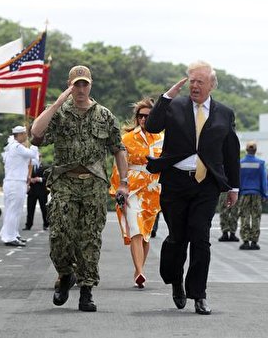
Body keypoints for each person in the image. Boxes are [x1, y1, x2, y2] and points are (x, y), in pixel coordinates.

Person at [145, 60, 240, 315]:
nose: (195, 86)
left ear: (212, 85)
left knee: (200, 237)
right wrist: (165, 98)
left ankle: (199, 294)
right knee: (178, 238)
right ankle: (176, 280)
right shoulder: (174, 105)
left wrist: (234, 187)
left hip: (206, 184)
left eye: (200, 81)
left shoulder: (224, 113)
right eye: (192, 81)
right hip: (176, 182)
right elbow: (152, 127)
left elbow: (231, 152)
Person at [31, 65, 128, 312]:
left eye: (85, 84)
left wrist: (124, 184)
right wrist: (58, 102)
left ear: (91, 85)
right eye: (76, 85)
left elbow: (118, 149)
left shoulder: (104, 115)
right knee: (59, 237)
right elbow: (36, 133)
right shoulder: (60, 113)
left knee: (89, 239)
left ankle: (86, 291)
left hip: (94, 182)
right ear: (70, 85)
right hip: (64, 181)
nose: (81, 89)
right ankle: (65, 275)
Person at [109, 98, 163, 289]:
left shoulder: (163, 138)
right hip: (132, 188)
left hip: (154, 190)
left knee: (146, 233)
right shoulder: (127, 138)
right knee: (136, 229)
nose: (143, 119)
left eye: (148, 116)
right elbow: (119, 165)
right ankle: (140, 271)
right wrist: (119, 189)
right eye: (140, 116)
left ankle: (139, 268)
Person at [0, 125, 35, 247]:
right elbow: (33, 154)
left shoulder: (12, 147)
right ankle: (9, 237)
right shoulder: (17, 147)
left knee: (15, 210)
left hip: (14, 181)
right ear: (19, 135)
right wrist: (34, 143)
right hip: (15, 182)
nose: (26, 136)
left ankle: (13, 234)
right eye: (24, 134)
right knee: (13, 211)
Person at [238, 141, 267, 250]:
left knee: (244, 216)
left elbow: (238, 179)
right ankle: (254, 242)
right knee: (256, 217)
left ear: (246, 150)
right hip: (257, 194)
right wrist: (265, 194)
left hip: (244, 194)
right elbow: (263, 180)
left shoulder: (240, 163)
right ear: (255, 150)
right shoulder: (260, 163)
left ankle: (245, 241)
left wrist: (238, 193)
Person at [24, 147, 50, 231]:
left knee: (44, 209)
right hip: (32, 191)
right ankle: (28, 225)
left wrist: (39, 179)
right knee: (30, 209)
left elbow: (48, 179)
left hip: (42, 191)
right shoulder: (29, 167)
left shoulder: (45, 167)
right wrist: (30, 180)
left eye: (39, 156)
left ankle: (46, 224)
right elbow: (25, 177)